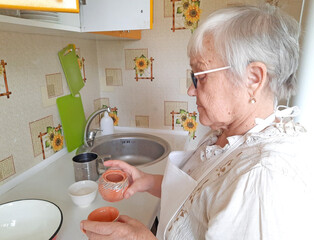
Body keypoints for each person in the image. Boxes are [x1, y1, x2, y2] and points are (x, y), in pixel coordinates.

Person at [80, 4, 314, 240]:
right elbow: (199, 196)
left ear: (253, 78)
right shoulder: (228, 135)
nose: (191, 90)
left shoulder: (263, 179)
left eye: (200, 76)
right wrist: (146, 181)